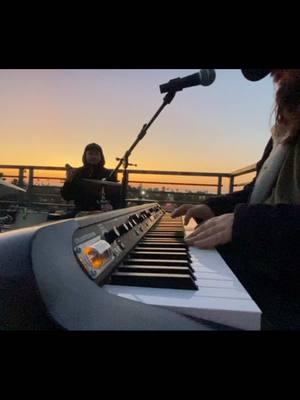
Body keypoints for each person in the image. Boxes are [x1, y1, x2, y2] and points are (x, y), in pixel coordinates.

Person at [172, 70, 300, 330]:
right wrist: (213, 207)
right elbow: (258, 192)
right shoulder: (284, 128)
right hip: (265, 260)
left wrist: (245, 222)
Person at [61, 143, 121, 213]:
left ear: (101, 157)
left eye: (96, 154)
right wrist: (68, 181)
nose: (93, 156)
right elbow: (66, 196)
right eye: (90, 154)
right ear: (85, 156)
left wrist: (111, 205)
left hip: (103, 213)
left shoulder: (109, 174)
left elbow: (117, 198)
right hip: (80, 212)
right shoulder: (78, 172)